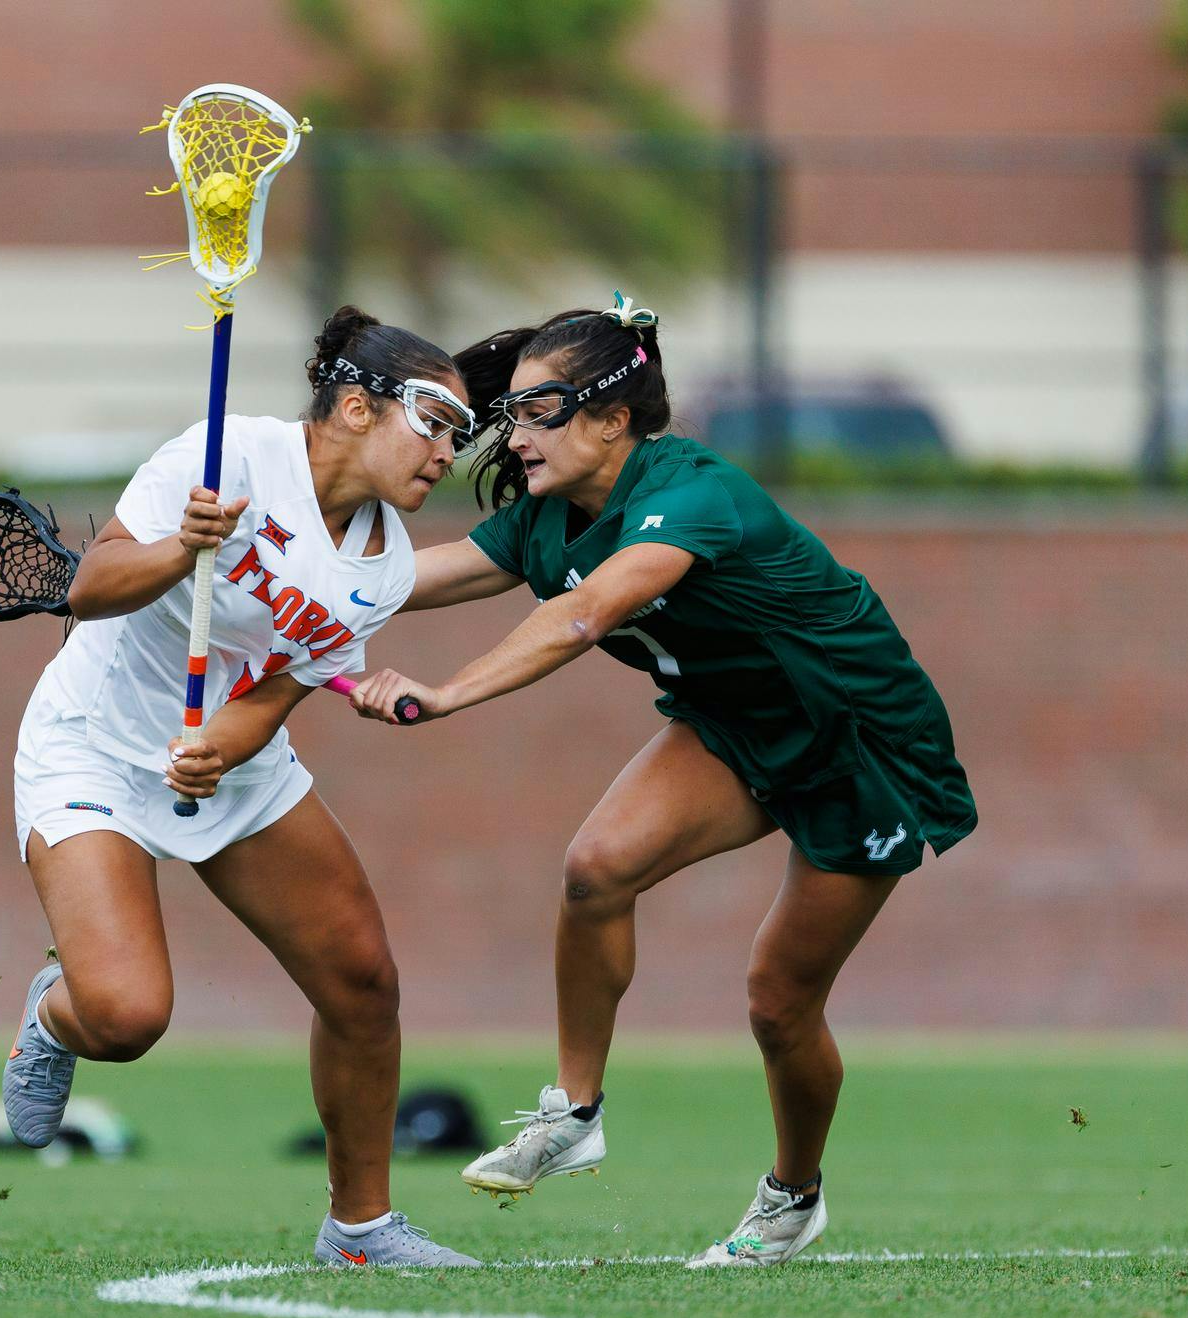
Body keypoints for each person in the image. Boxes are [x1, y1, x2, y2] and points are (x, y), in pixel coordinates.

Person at [349, 294, 977, 1268]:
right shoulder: (546, 520)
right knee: (595, 868)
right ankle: (573, 1113)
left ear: (611, 416)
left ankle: (792, 1196)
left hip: (851, 736)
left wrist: (445, 693)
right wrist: (267, 571)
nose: (512, 434)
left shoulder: (687, 493)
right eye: (510, 411)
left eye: (537, 409)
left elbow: (585, 613)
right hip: (731, 728)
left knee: (776, 1000)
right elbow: (403, 579)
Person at [5, 308, 481, 1268]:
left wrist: (220, 747)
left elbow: (272, 693)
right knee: (128, 1016)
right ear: (354, 405)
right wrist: (183, 546)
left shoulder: (382, 565)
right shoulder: (224, 456)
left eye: (460, 435)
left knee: (362, 980)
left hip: (231, 765)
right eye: (433, 421)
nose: (447, 452)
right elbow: (91, 586)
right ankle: (54, 1016)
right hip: (92, 745)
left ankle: (359, 1230)